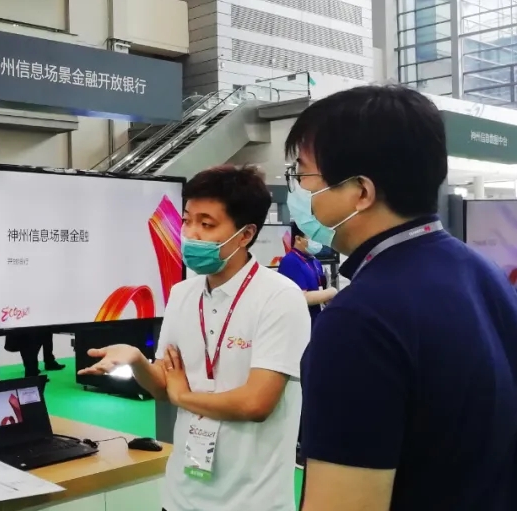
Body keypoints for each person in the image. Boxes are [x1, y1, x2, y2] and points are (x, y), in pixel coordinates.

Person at [285, 85, 517, 511]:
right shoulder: (483, 274)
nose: (297, 191)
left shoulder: (360, 319)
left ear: (361, 192)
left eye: (303, 176)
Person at [79, 165, 310, 511]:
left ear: (245, 234)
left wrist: (184, 396)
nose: (190, 234)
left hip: (252, 502)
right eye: (187, 221)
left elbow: (255, 403)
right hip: (180, 497)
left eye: (207, 224)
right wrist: (138, 361)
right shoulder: (182, 294)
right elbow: (163, 386)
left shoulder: (279, 297)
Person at [277, 222, 337, 324]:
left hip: (316, 320)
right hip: (299, 324)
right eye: (312, 237)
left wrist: (326, 298)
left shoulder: (315, 261)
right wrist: (331, 292)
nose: (317, 241)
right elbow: (301, 297)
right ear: (298, 239)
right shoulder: (291, 261)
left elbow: (318, 290)